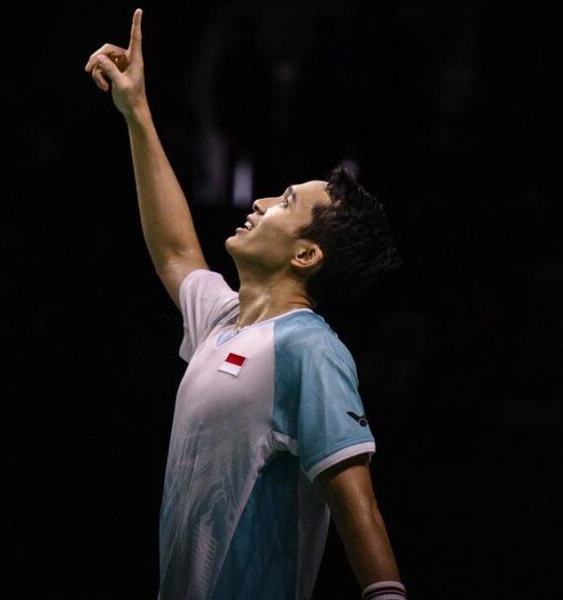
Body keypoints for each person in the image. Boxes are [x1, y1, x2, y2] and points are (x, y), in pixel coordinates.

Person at [85, 9, 407, 600]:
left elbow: (357, 503)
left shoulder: (310, 349)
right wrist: (137, 112)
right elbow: (176, 252)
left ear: (306, 255)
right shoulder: (224, 321)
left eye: (283, 202)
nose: (258, 202)